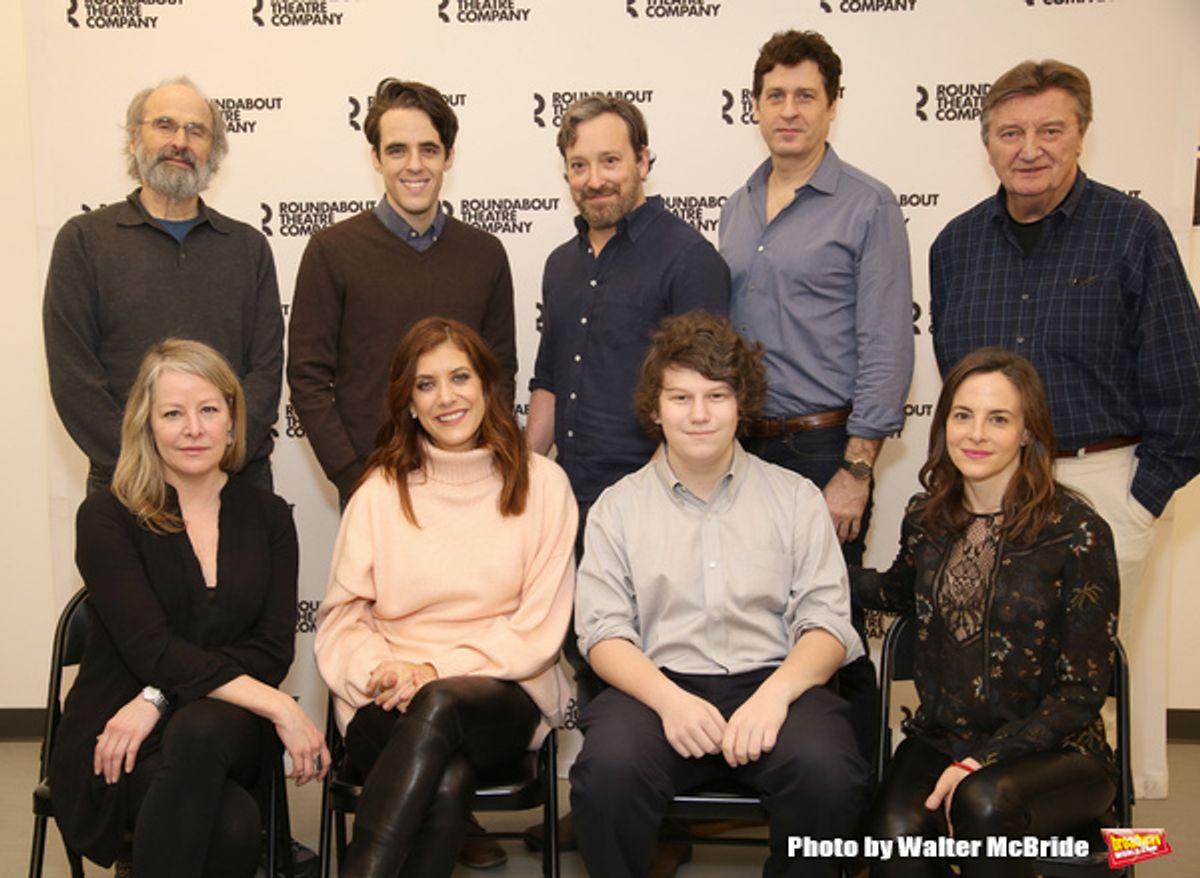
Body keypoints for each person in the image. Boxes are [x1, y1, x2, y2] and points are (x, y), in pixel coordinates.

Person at [929, 59, 1200, 799]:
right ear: (987, 143)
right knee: (996, 671)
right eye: (1011, 132)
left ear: (1081, 134)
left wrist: (1141, 502)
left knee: (1099, 677)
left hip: (1102, 487)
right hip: (992, 488)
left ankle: (1116, 835)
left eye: (1051, 129)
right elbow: (957, 380)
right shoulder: (954, 246)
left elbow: (1185, 382)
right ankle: (994, 815)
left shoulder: (1134, 231)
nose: (1030, 148)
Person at [570, 313, 869, 878]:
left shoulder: (797, 498)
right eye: (680, 397)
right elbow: (603, 634)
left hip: (776, 682)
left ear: (743, 405)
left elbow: (828, 623)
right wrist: (669, 700)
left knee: (829, 774)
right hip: (657, 689)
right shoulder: (617, 507)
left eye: (717, 395)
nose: (700, 414)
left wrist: (775, 696)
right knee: (606, 774)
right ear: (654, 409)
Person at [47, 339, 329, 877]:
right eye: (173, 413)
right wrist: (282, 707)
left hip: (224, 728)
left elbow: (270, 652)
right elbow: (148, 647)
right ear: (147, 424)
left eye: (208, 410)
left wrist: (157, 697)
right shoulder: (107, 515)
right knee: (234, 825)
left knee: (201, 731)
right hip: (118, 730)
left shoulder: (269, 516)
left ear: (231, 418)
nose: (193, 429)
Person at [313, 317, 576, 878]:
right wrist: (381, 670)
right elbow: (342, 620)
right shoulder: (379, 490)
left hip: (500, 693)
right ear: (407, 402)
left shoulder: (544, 485)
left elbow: (535, 631)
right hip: (385, 696)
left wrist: (431, 669)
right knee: (448, 781)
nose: (446, 397)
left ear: (486, 385)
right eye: (425, 384)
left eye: (460, 377)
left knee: (438, 702)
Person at [720, 26, 913, 767]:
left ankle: (854, 796)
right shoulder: (738, 206)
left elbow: (888, 343)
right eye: (776, 96)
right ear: (757, 107)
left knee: (831, 628)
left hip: (825, 448)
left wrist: (857, 468)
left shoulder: (868, 205)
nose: (790, 110)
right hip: (743, 449)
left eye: (806, 96)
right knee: (756, 627)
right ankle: (775, 780)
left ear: (833, 108)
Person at [854, 348, 1119, 878]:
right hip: (943, 737)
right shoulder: (926, 520)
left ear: (1027, 431)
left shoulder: (1077, 532)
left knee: (982, 803)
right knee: (893, 838)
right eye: (962, 415)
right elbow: (892, 592)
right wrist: (800, 571)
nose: (976, 434)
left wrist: (983, 762)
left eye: (998, 419)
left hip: (1057, 752)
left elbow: (1082, 691)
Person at [43, 76, 284, 494]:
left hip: (235, 486)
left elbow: (265, 371)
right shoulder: (84, 241)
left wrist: (216, 461)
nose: (180, 141)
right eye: (165, 125)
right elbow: (74, 379)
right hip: (126, 488)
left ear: (215, 151)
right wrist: (144, 467)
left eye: (197, 131)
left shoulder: (248, 248)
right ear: (136, 140)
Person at [289, 78, 517, 509]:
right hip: (371, 487)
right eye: (397, 150)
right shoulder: (331, 251)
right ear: (375, 158)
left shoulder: (485, 254)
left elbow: (499, 370)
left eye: (428, 149)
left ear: (449, 156)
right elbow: (307, 378)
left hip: (471, 486)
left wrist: (484, 465)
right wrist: (353, 476)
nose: (414, 165)